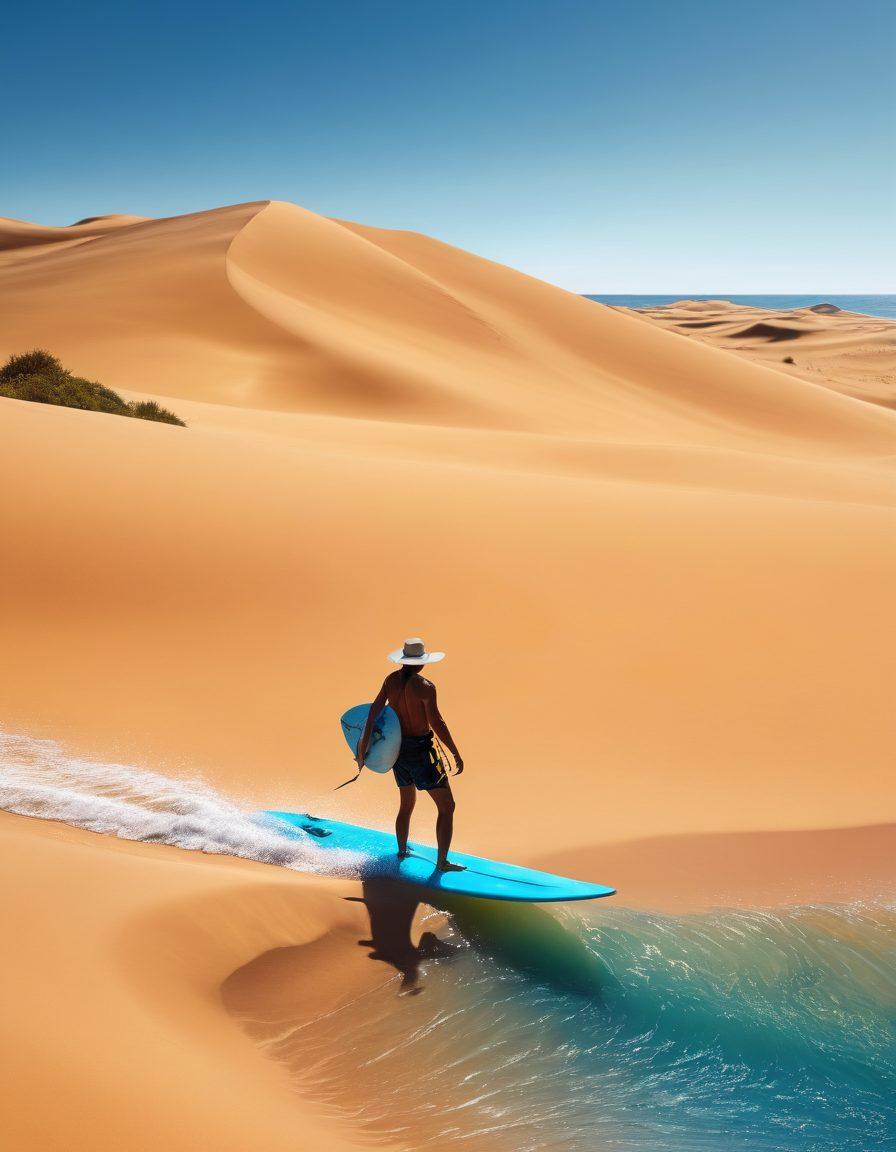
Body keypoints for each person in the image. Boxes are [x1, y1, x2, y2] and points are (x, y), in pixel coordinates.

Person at [356, 638, 465, 872]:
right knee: (447, 806)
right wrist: (455, 752)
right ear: (421, 663)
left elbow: (373, 714)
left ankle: (402, 850)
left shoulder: (390, 681)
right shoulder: (425, 686)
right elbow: (437, 722)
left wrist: (363, 750)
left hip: (397, 751)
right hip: (421, 752)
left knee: (406, 804)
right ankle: (442, 862)